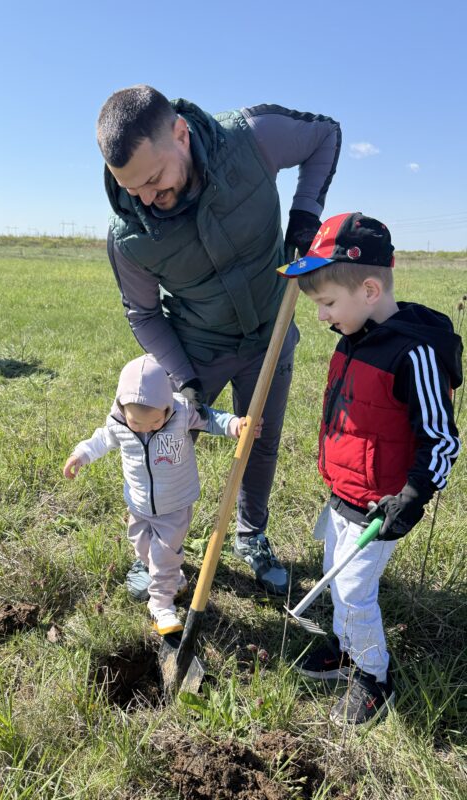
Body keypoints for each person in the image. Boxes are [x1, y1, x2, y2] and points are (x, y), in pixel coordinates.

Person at [96, 85, 341, 599]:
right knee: (164, 443)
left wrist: (305, 215)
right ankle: (158, 550)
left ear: (180, 134)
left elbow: (325, 135)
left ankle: (251, 536)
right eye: (130, 187)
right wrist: (183, 380)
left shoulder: (251, 138)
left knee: (260, 439)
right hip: (196, 347)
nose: (145, 198)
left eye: (154, 179)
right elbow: (142, 313)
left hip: (269, 331)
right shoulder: (129, 237)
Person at [277, 212, 462, 725]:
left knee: (355, 591)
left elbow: (442, 439)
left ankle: (373, 677)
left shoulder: (415, 354)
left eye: (327, 303)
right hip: (343, 492)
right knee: (335, 577)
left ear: (370, 289)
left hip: (380, 506)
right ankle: (345, 647)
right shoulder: (353, 336)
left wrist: (412, 496)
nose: (321, 317)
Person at [63, 354, 261, 635]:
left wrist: (235, 425)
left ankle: (162, 605)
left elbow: (211, 419)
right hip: (138, 503)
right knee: (142, 547)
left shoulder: (182, 412)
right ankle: (174, 580)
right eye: (137, 424)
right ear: (122, 408)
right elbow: (101, 439)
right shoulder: (118, 422)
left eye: (155, 422)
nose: (146, 429)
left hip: (174, 505)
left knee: (163, 556)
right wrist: (80, 455)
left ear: (168, 406)